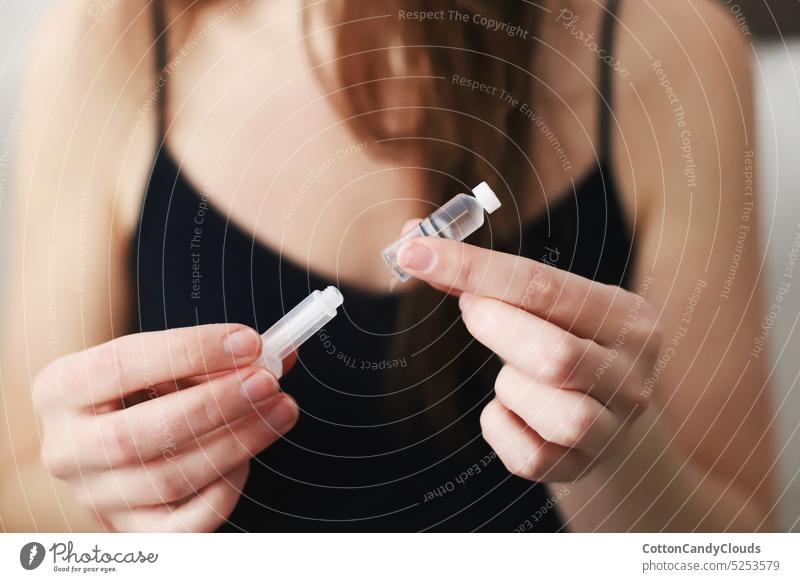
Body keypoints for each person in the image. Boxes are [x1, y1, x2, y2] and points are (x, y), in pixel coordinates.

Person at [1, 0, 775, 532]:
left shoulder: (672, 44)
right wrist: (108, 501)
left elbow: (743, 547)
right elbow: (18, 511)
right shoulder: (108, 34)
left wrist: (617, 465)